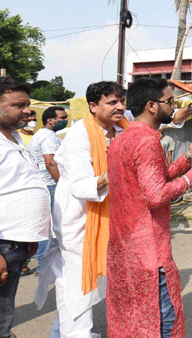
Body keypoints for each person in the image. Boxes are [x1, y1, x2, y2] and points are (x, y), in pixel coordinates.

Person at [106, 78, 192, 338]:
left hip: (125, 249)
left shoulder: (123, 139)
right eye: (169, 101)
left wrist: (187, 158)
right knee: (161, 321)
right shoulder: (147, 142)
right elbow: (156, 195)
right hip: (148, 252)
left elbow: (153, 179)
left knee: (132, 320)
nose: (173, 106)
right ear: (151, 106)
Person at [34, 81, 128, 338]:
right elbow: (79, 185)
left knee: (83, 288)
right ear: (93, 106)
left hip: (110, 220)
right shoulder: (80, 135)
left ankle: (63, 333)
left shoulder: (122, 129)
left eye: (122, 101)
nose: (119, 107)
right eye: (112, 102)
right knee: (78, 285)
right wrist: (108, 176)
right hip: (78, 220)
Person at [0, 78, 50, 338]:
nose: (27, 111)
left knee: (6, 307)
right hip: (2, 244)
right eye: (18, 105)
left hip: (15, 242)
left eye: (28, 105)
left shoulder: (15, 137)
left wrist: (29, 238)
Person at [28, 106, 68, 274]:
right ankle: (43, 267)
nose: (65, 120)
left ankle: (43, 266)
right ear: (50, 120)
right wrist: (64, 183)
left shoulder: (42, 135)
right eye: (62, 117)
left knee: (47, 226)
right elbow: (50, 163)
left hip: (45, 184)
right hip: (50, 184)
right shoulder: (48, 137)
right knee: (51, 227)